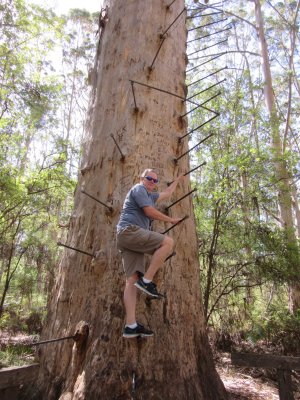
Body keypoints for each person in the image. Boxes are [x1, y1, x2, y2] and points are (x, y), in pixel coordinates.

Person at [116, 168, 185, 338]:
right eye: (149, 178)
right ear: (141, 178)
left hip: (128, 238)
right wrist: (171, 220)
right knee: (168, 242)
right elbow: (149, 212)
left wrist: (178, 179)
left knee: (131, 280)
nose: (152, 182)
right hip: (130, 231)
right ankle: (147, 281)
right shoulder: (138, 189)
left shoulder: (151, 195)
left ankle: (130, 325)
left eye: (155, 181)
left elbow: (167, 193)